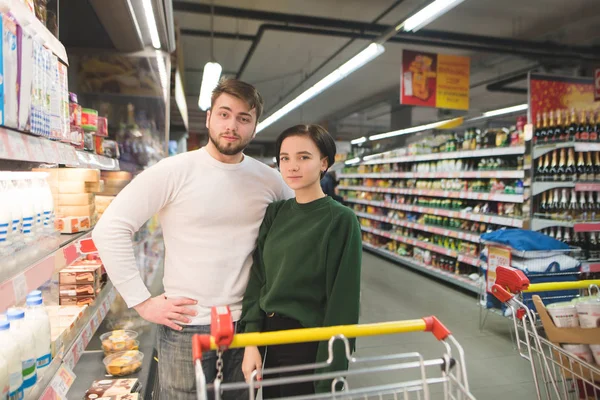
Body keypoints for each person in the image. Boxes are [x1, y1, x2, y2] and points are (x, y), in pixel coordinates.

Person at [92, 79, 293, 400]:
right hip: (186, 326)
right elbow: (110, 227)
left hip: (247, 325)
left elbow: (297, 231)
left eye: (244, 118)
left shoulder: (270, 180)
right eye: (224, 114)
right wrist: (141, 302)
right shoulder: (173, 170)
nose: (232, 125)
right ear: (209, 117)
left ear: (255, 126)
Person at [239, 124, 362, 397]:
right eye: (285, 158)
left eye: (304, 157)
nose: (292, 166)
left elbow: (344, 300)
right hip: (271, 339)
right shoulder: (276, 213)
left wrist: (332, 370)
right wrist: (251, 343)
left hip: (310, 343)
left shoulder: (340, 220)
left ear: (324, 163)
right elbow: (259, 278)